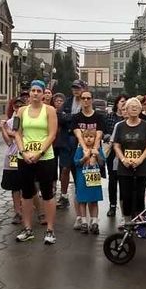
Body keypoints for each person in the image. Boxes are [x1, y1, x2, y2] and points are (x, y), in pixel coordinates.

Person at [15, 80, 59, 245]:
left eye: (38, 91)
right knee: (26, 194)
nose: (35, 93)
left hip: (44, 157)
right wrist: (23, 152)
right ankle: (27, 228)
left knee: (47, 193)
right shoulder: (21, 111)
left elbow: (52, 134)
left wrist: (40, 152)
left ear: (43, 94)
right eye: (32, 90)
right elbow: (17, 133)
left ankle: (50, 230)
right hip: (25, 157)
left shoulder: (50, 110)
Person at [113, 97, 146, 224]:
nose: (134, 108)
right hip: (124, 166)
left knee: (140, 195)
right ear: (127, 110)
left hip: (142, 166)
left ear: (140, 109)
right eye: (131, 106)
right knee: (126, 195)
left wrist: (140, 159)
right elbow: (116, 145)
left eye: (137, 106)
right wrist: (123, 159)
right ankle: (127, 221)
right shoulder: (120, 126)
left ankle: (139, 222)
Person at [70, 89, 106, 230]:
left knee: (93, 189)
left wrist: (93, 153)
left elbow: (98, 136)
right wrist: (85, 151)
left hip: (95, 152)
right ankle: (82, 219)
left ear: (92, 99)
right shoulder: (76, 118)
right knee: (81, 186)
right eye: (83, 98)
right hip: (81, 151)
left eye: (88, 98)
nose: (85, 100)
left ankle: (94, 221)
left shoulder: (98, 117)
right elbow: (78, 135)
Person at [73, 128, 106, 234]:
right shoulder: (79, 150)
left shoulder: (98, 149)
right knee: (82, 201)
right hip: (82, 179)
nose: (88, 139)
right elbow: (76, 163)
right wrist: (85, 157)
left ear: (95, 138)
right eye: (86, 137)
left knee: (94, 200)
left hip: (94, 179)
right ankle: (83, 221)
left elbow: (102, 163)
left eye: (91, 137)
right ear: (82, 138)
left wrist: (97, 155)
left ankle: (95, 221)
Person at [0, 97, 26, 226]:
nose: (18, 108)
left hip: (26, 155)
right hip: (12, 155)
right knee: (15, 187)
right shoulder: (9, 122)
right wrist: (3, 129)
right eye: (16, 106)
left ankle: (29, 209)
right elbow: (8, 142)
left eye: (21, 106)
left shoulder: (27, 121)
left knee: (28, 184)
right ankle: (17, 212)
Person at [103, 94, 128, 217]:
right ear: (117, 103)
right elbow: (104, 132)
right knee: (113, 179)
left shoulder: (130, 118)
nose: (124, 104)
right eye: (122, 101)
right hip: (112, 151)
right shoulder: (109, 117)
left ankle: (125, 206)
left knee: (125, 180)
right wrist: (109, 137)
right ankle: (112, 205)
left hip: (127, 152)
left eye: (126, 102)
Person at [52, 93, 73, 210]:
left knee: (65, 169)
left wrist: (63, 116)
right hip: (52, 144)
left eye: (61, 100)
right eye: (56, 101)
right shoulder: (51, 112)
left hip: (65, 144)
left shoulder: (66, 111)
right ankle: (52, 191)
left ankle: (64, 195)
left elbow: (70, 119)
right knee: (51, 170)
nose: (59, 102)